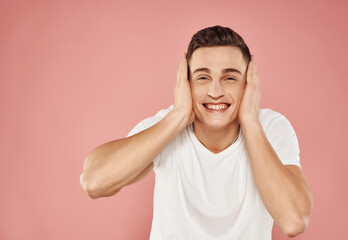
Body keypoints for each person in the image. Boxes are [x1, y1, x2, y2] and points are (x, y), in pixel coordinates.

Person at [80, 25, 313, 239]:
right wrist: (180, 116)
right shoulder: (166, 124)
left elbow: (294, 221)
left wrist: (250, 120)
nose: (215, 91)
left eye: (229, 77)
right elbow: (94, 181)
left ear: (248, 83)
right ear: (187, 82)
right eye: (203, 77)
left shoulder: (271, 127)